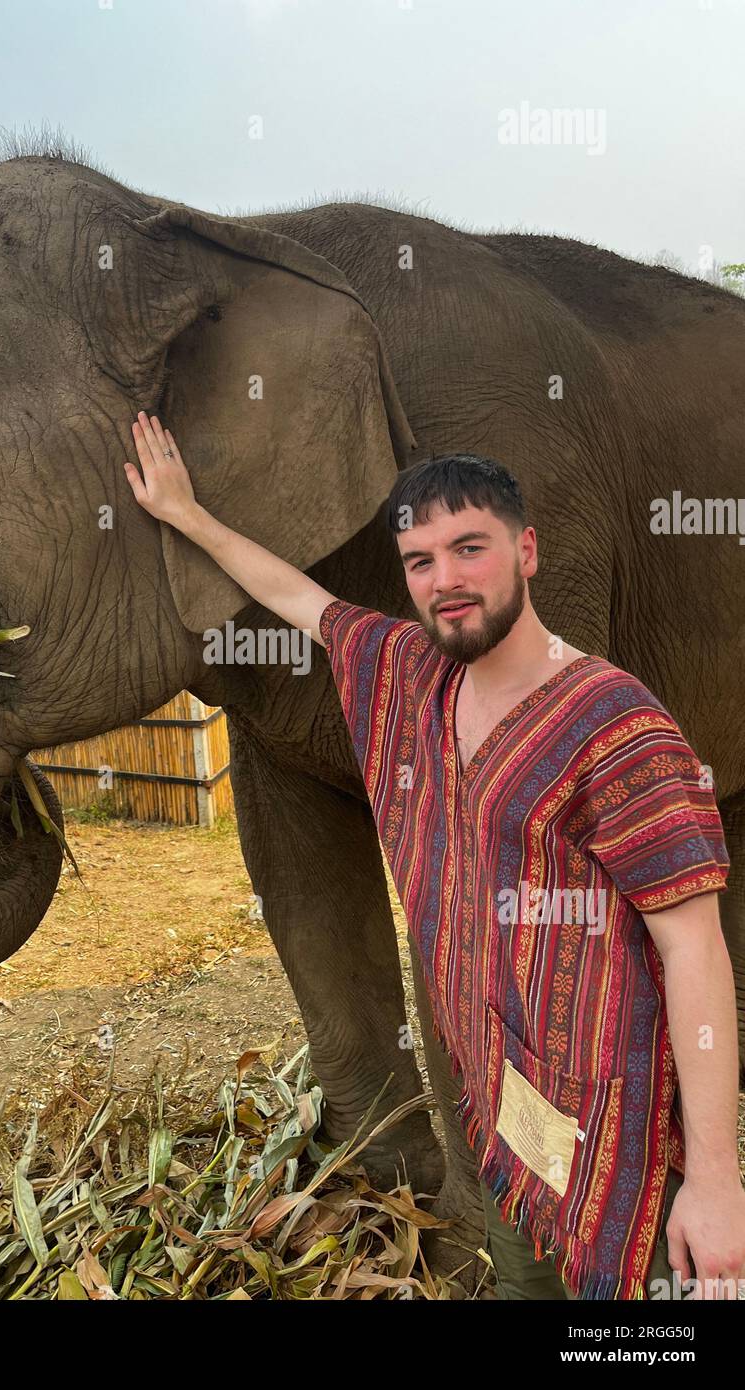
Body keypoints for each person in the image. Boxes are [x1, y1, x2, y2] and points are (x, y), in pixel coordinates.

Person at [122, 410, 745, 1300]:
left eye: (469, 549)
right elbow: (300, 600)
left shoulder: (615, 726)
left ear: (526, 551)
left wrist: (717, 1180)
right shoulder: (408, 674)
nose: (444, 581)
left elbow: (694, 946)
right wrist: (184, 514)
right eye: (420, 561)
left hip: (622, 1139)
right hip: (502, 1112)